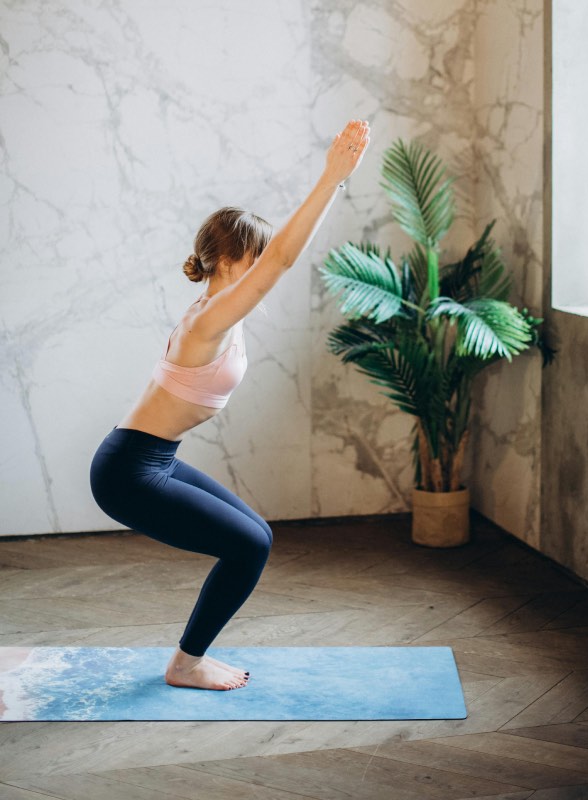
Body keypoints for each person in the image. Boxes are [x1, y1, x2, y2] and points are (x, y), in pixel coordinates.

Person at [90, 119, 371, 691]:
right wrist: (332, 179)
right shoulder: (207, 321)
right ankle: (186, 663)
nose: (264, 268)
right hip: (128, 471)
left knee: (256, 535)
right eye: (255, 258)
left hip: (152, 458)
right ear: (225, 258)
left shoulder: (219, 311)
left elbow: (273, 269)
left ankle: (188, 658)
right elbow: (281, 266)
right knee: (248, 546)